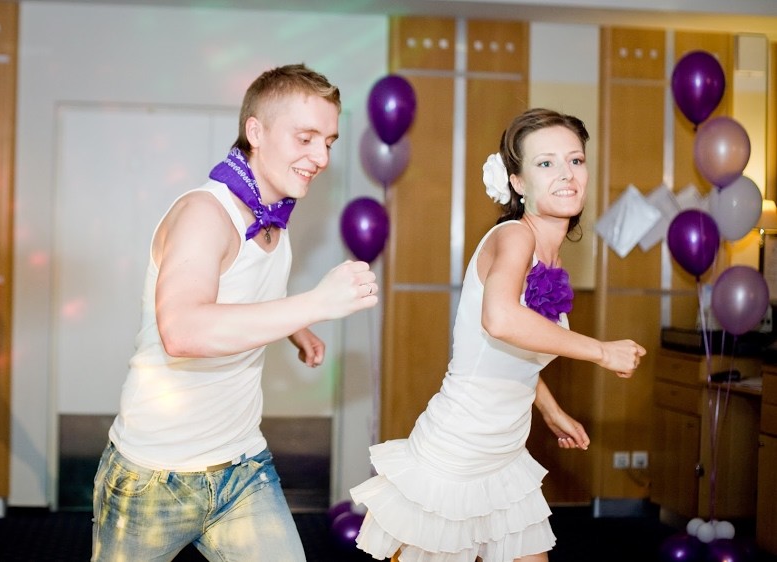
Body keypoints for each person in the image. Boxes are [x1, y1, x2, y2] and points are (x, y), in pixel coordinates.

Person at [91, 63, 379, 562]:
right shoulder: (205, 214)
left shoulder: (275, 218)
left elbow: (239, 290)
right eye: (306, 138)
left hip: (242, 465)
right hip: (154, 475)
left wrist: (297, 327)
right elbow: (183, 331)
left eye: (328, 142)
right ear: (256, 132)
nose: (321, 157)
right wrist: (315, 303)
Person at [349, 108, 646, 562]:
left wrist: (549, 408)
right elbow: (501, 320)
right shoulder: (514, 238)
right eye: (546, 163)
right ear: (518, 182)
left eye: (575, 160)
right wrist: (601, 352)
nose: (566, 174)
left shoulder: (550, 256)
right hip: (456, 455)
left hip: (503, 458)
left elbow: (513, 346)